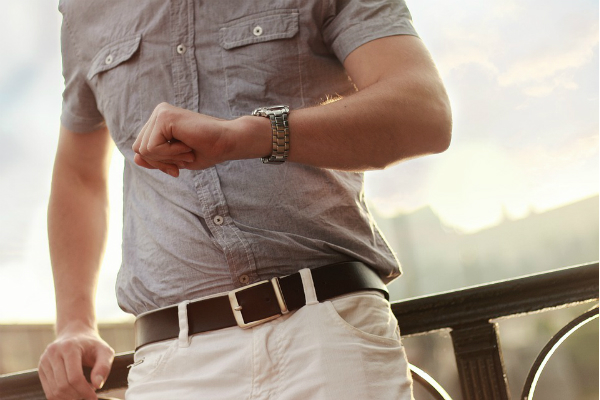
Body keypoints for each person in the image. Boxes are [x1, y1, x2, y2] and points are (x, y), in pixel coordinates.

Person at [39, 0, 451, 399]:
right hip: (173, 366)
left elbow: (423, 110)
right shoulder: (83, 9)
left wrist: (248, 136)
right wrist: (74, 323)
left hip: (327, 338)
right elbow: (79, 174)